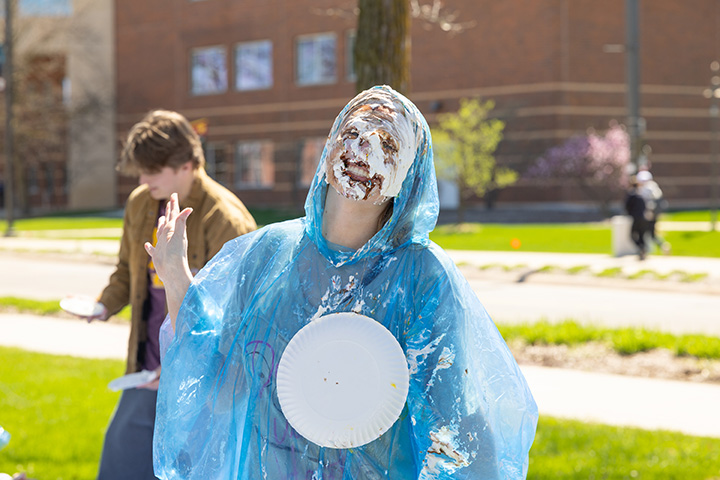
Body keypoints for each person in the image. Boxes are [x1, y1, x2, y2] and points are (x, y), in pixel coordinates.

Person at [149, 86, 538, 479]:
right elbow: (220, 385)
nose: (362, 148)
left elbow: (454, 429)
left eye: (386, 143)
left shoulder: (420, 277)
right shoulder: (270, 254)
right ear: (330, 146)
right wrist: (176, 277)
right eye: (352, 133)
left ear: (409, 174)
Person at [77, 109, 257, 479]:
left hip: (203, 383)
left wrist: (182, 361)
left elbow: (237, 315)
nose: (143, 179)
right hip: (145, 372)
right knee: (119, 465)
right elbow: (127, 270)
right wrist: (104, 304)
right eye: (140, 170)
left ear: (187, 164)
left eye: (152, 170)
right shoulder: (141, 203)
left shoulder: (227, 219)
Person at [637, 170, 671, 254]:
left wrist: (649, 212)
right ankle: (662, 246)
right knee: (651, 234)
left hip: (648, 215)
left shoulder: (647, 189)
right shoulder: (654, 187)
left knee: (645, 233)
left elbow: (649, 203)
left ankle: (645, 250)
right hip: (653, 214)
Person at [625, 176, 648, 260]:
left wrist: (629, 214)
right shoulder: (641, 194)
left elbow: (627, 206)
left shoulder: (631, 195)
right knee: (642, 236)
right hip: (643, 218)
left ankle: (641, 248)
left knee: (632, 235)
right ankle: (643, 250)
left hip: (635, 218)